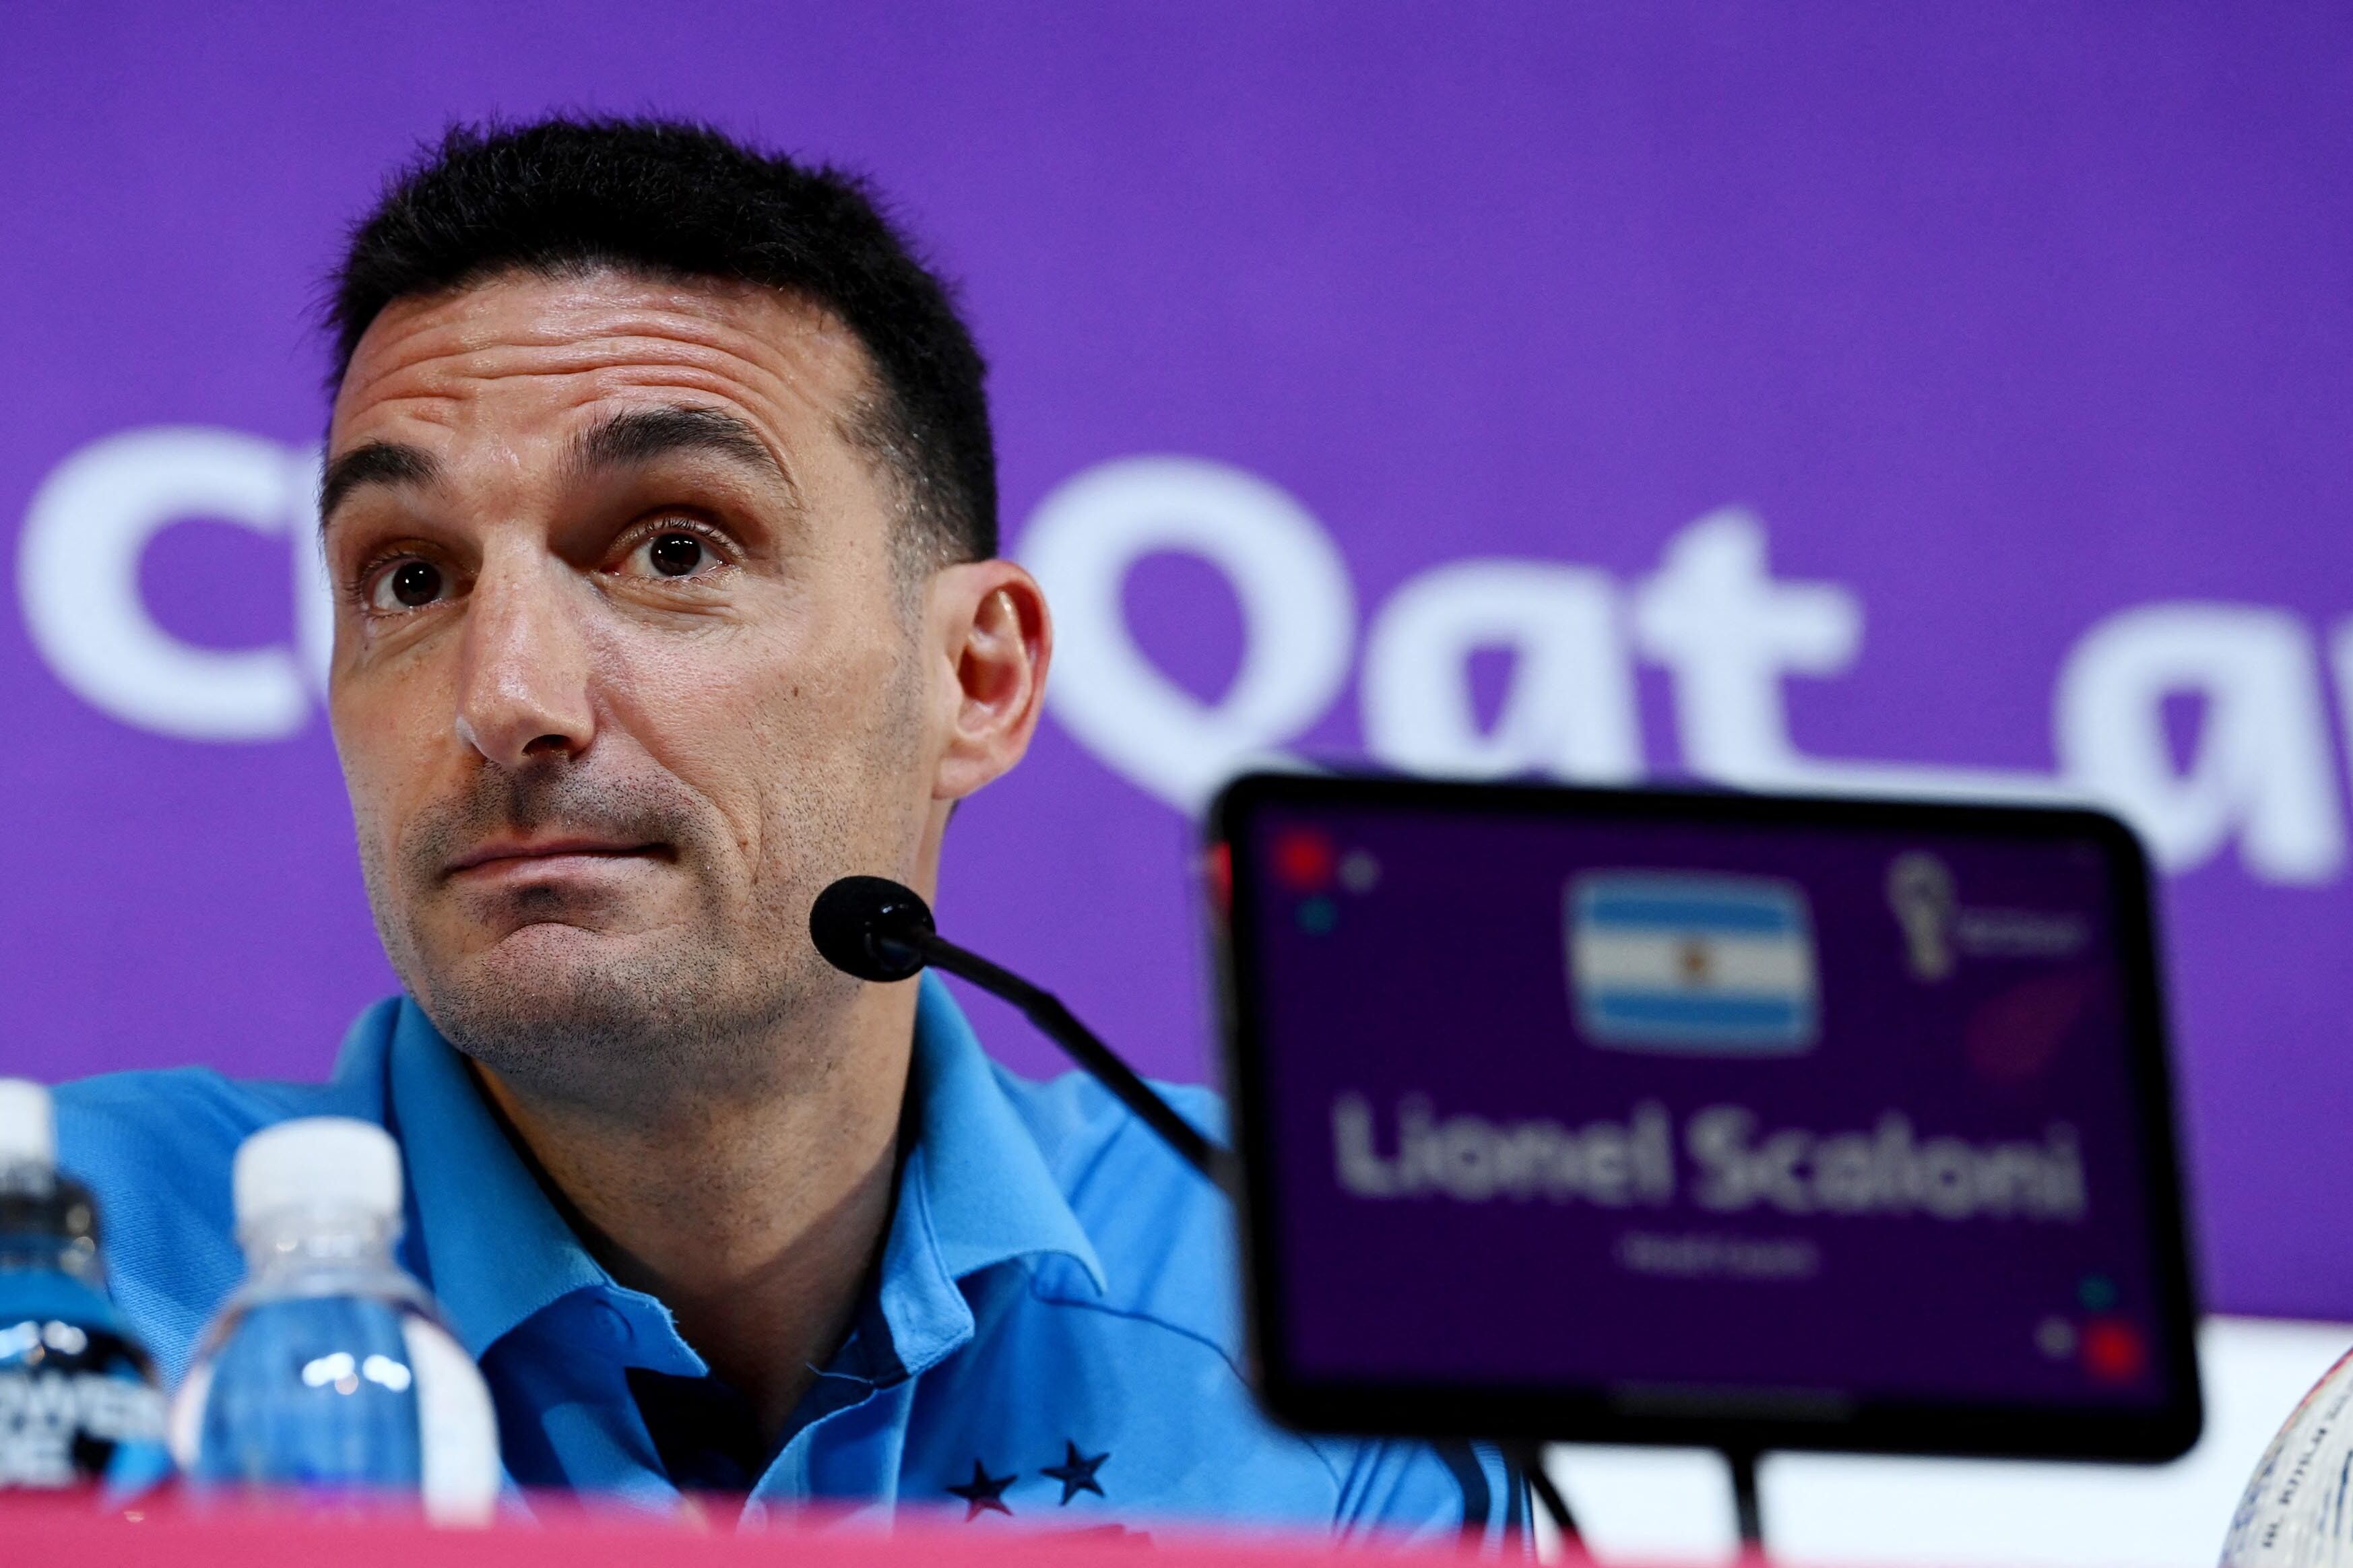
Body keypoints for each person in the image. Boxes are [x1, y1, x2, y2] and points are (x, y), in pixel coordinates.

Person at [57, 117, 1520, 1541]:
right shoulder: (61, 1292)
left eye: (673, 549)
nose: (502, 697)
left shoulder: (1303, 1291)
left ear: (974, 677)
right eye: (410, 578)